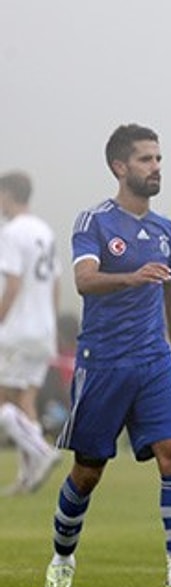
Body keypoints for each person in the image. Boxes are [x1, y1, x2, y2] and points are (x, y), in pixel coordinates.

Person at [44, 124, 171, 587]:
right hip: (102, 362)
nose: (156, 167)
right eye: (145, 159)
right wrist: (130, 277)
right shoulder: (94, 222)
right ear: (120, 167)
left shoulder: (165, 231)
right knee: (88, 469)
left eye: (159, 158)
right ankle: (62, 558)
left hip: (153, 361)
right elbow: (84, 281)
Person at [0, 171, 62, 495]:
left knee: (3, 402)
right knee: (26, 401)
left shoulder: (12, 233)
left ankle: (42, 452)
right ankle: (27, 476)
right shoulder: (44, 230)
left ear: (9, 194)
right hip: (43, 328)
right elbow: (56, 283)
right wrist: (49, 322)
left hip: (17, 329)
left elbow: (11, 285)